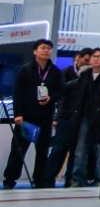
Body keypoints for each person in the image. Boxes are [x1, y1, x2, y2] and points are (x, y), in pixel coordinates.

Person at [3, 39, 64, 189]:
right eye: (43, 48)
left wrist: (51, 98)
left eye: (49, 48)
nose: (46, 50)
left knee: (42, 151)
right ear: (35, 51)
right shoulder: (25, 70)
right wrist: (18, 114)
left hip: (45, 117)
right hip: (27, 118)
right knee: (19, 150)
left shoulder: (55, 71)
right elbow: (18, 93)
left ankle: (39, 180)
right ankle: (10, 180)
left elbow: (60, 91)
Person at [46, 48, 93, 186]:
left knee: (76, 149)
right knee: (58, 148)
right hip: (65, 115)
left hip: (81, 116)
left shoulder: (92, 75)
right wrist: (56, 117)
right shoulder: (66, 72)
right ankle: (48, 178)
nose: (87, 63)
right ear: (78, 58)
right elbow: (61, 91)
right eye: (86, 60)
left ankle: (70, 178)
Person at [70, 48, 100, 187]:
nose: (96, 59)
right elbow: (77, 95)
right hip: (85, 116)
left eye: (99, 56)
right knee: (80, 150)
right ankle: (78, 178)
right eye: (94, 56)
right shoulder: (85, 75)